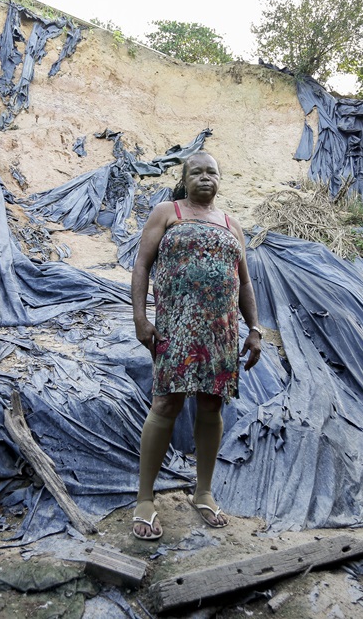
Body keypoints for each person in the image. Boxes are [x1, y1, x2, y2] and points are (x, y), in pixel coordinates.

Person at [130, 150, 263, 540]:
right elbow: (141, 264)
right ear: (185, 178)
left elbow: (246, 282)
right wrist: (141, 318)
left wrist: (254, 328)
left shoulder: (231, 224)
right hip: (177, 327)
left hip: (221, 330)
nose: (206, 178)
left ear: (220, 180)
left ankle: (203, 492)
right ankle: (144, 499)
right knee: (166, 403)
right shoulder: (166, 212)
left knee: (211, 404)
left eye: (212, 173)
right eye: (197, 172)